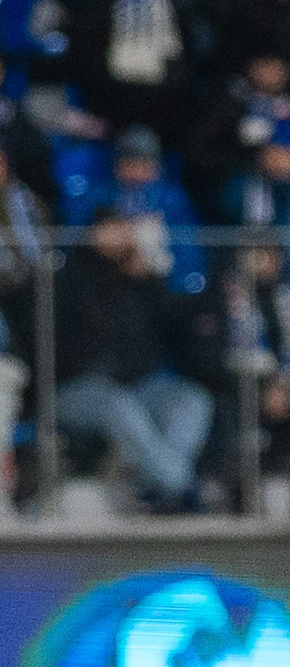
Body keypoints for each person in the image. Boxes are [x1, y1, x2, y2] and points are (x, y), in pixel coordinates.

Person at [56, 211, 217, 512]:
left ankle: (156, 486)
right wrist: (109, 270)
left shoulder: (139, 278)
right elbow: (70, 344)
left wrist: (149, 277)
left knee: (192, 399)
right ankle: (180, 486)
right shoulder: (70, 276)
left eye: (123, 229)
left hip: (138, 386)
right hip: (77, 388)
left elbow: (173, 327)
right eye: (110, 229)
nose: (119, 237)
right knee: (118, 407)